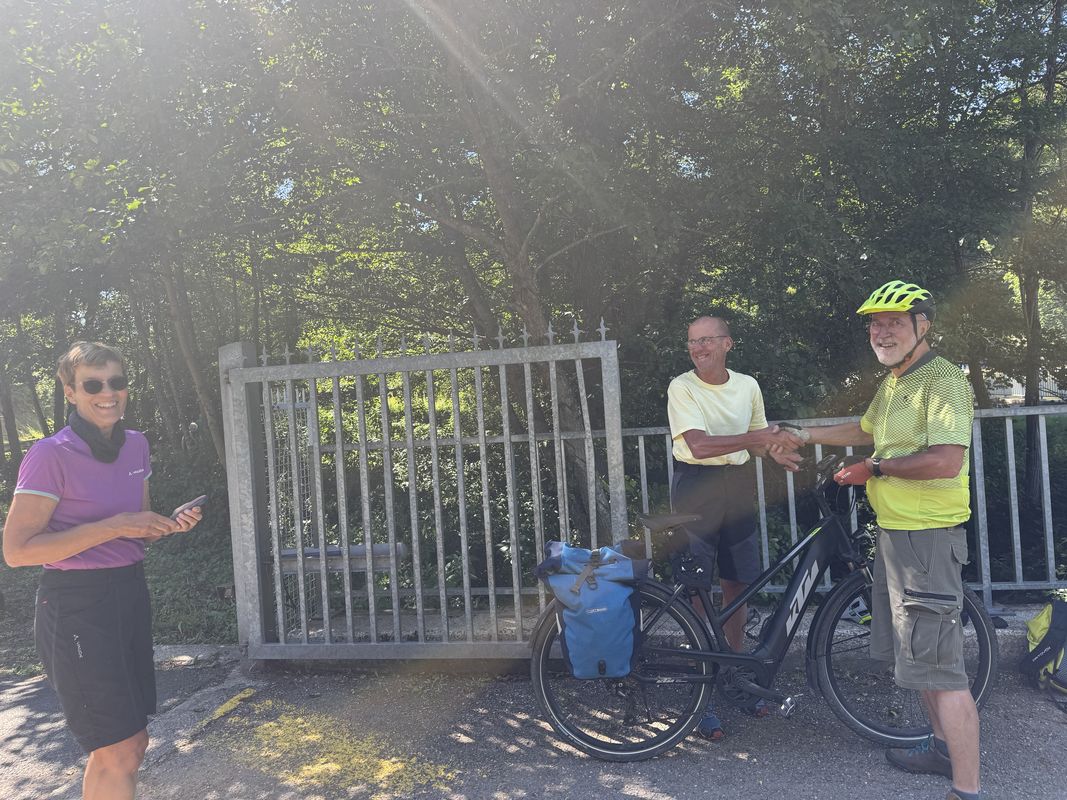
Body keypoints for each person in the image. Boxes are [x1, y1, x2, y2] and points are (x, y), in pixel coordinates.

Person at [788, 281, 980, 800]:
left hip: (928, 540)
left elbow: (946, 458)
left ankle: (967, 789)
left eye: (896, 320)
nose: (883, 330)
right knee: (917, 662)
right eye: (876, 322)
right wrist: (804, 434)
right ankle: (938, 749)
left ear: (924, 324)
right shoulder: (895, 382)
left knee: (943, 671)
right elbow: (865, 427)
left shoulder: (940, 379)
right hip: (898, 537)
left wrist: (873, 468)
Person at [2, 342, 203, 800]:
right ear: (70, 392)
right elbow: (16, 551)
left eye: (117, 381)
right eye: (93, 384)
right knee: (118, 745)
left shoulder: (136, 445)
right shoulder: (50, 455)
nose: (107, 392)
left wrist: (166, 525)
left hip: (129, 593)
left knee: (131, 744)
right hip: (75, 604)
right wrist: (113, 525)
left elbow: (137, 531)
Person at [667, 315, 803, 740]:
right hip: (696, 487)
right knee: (696, 591)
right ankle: (699, 697)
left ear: (728, 343)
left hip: (739, 487)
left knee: (737, 586)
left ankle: (734, 679)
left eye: (706, 340)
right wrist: (754, 440)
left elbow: (761, 438)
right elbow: (699, 444)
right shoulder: (681, 386)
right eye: (692, 341)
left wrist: (777, 453)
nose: (698, 348)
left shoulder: (747, 385)